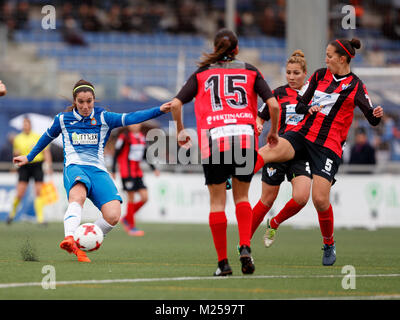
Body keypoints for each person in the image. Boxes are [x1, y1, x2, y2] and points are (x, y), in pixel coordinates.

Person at [253, 38, 384, 266]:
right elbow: (302, 105)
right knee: (271, 149)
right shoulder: (319, 75)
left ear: (342, 59)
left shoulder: (356, 86)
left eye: (330, 55)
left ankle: (328, 243)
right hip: (303, 134)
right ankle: (234, 174)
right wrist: (309, 107)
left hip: (329, 146)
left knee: (320, 200)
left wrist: (377, 114)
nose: (326, 59)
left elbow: (372, 118)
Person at [13, 79, 171, 263]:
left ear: (94, 100)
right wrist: (29, 157)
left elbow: (131, 117)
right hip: (75, 167)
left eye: (89, 101)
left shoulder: (104, 117)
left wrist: (159, 110)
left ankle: (83, 240)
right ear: (75, 101)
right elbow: (46, 137)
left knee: (113, 215)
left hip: (98, 171)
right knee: (77, 196)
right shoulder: (63, 119)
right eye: (81, 102)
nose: (85, 106)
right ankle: (70, 238)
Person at [167, 28, 280, 276]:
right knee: (242, 198)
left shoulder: (202, 73)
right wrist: (274, 132)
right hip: (244, 140)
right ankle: (246, 247)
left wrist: (180, 130)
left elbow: (175, 104)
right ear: (237, 49)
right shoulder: (250, 70)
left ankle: (223, 264)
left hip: (216, 141)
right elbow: (273, 104)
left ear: (215, 47)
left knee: (218, 203)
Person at [251, 50, 312, 247]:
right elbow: (260, 116)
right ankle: (244, 242)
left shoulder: (314, 95)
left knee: (302, 198)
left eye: (296, 73)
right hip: (279, 151)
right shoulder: (278, 93)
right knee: (267, 199)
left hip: (301, 153)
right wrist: (259, 124)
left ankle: (275, 223)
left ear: (305, 74)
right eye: (288, 73)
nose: (292, 77)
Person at [111, 123, 160, 236]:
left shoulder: (141, 137)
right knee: (131, 198)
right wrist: (113, 170)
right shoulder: (124, 137)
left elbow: (144, 155)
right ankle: (131, 227)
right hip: (126, 172)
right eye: (132, 124)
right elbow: (116, 154)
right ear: (128, 125)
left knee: (145, 197)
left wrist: (154, 168)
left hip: (137, 172)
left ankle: (127, 218)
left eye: (137, 123)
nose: (135, 126)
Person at [7, 117, 53, 225]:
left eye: (27, 124)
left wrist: (48, 165)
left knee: (38, 192)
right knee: (20, 193)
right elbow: (16, 154)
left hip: (37, 165)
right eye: (24, 124)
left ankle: (40, 219)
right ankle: (12, 214)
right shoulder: (18, 138)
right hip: (24, 167)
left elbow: (46, 151)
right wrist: (15, 163)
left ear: (30, 125)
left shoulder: (37, 136)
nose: (25, 126)